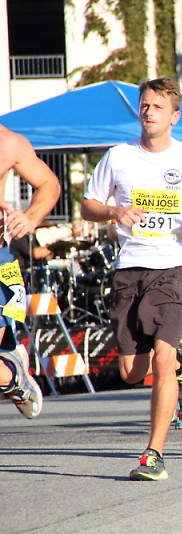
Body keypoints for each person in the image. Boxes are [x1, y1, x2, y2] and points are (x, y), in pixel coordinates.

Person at [80, 78, 182, 480]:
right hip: (130, 268)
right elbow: (88, 205)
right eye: (145, 105)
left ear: (175, 117)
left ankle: (153, 454)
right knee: (131, 372)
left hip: (176, 267)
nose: (149, 112)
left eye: (158, 107)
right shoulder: (117, 157)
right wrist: (114, 212)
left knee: (160, 360)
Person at [0, 125, 61, 419]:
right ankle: (10, 373)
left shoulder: (8, 142)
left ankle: (13, 376)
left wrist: (31, 217)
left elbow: (49, 183)